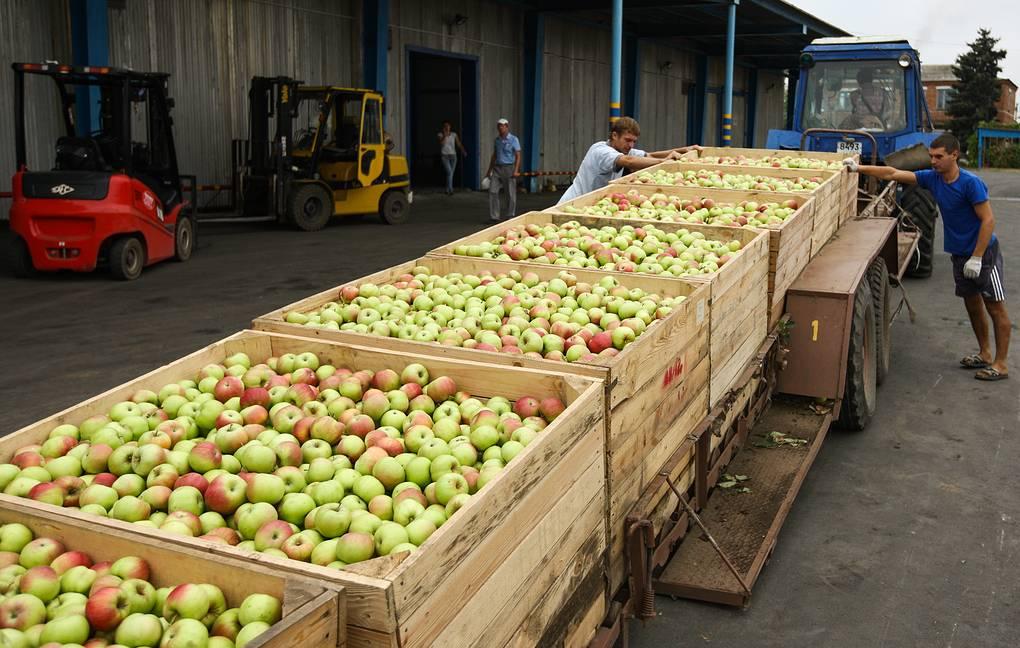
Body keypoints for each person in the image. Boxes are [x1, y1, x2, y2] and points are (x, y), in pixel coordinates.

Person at [845, 133, 1011, 380]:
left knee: (995, 307)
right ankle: (985, 353)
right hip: (959, 252)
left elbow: (988, 220)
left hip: (983, 252)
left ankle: (1001, 364)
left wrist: (977, 257)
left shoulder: (969, 183)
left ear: (954, 155)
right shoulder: (933, 179)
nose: (933, 161)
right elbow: (892, 174)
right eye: (931, 156)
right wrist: (858, 167)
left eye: (939, 157)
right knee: (972, 304)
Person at [557, 117, 702, 204]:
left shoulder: (624, 150)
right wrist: (664, 162)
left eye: (634, 141)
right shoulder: (600, 151)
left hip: (589, 205)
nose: (631, 145)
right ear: (614, 135)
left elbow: (650, 156)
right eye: (628, 140)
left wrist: (685, 150)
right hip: (572, 203)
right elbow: (628, 161)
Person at [484, 118, 521, 222]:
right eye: (499, 126)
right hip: (497, 168)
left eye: (502, 125)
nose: (500, 128)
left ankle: (510, 214)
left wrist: (516, 170)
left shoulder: (514, 139)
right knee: (493, 191)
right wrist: (489, 171)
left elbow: (518, 155)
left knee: (510, 193)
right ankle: (494, 216)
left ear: (507, 127)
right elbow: (494, 155)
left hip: (509, 167)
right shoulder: (497, 140)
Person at [437, 121, 467, 195]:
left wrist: (463, 151)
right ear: (443, 127)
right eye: (445, 126)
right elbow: (441, 144)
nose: (447, 127)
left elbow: (458, 143)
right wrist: (445, 135)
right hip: (445, 156)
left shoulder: (454, 134)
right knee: (449, 172)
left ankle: (447, 189)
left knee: (450, 174)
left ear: (450, 127)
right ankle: (451, 190)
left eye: (448, 126)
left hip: (453, 156)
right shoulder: (440, 134)